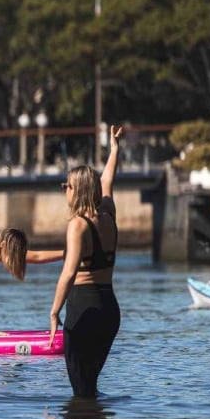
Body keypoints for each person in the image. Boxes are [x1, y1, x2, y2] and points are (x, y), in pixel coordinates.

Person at [49, 125, 123, 398]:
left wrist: (54, 312)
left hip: (84, 309)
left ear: (77, 189)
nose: (65, 190)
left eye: (66, 186)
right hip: (109, 311)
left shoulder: (78, 225)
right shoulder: (108, 214)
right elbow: (107, 180)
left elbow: (69, 273)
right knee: (90, 388)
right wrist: (114, 150)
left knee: (82, 391)